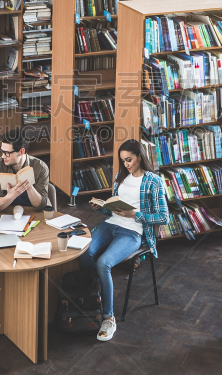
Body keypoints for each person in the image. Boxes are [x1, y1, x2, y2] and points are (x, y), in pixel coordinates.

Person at [80, 139, 169, 342]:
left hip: (132, 232)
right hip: (111, 224)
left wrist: (133, 215)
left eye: (129, 159)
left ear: (139, 156)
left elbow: (164, 217)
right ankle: (94, 297)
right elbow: (114, 208)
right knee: (85, 251)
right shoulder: (120, 178)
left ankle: (108, 317)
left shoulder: (154, 181)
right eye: (123, 161)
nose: (126, 164)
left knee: (104, 263)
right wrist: (101, 207)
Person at [0, 128, 50, 212]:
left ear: (21, 151)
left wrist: (28, 186)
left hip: (33, 212)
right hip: (8, 212)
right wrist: (11, 196)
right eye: (2, 151)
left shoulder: (41, 167)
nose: (3, 156)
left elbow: (41, 206)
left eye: (7, 153)